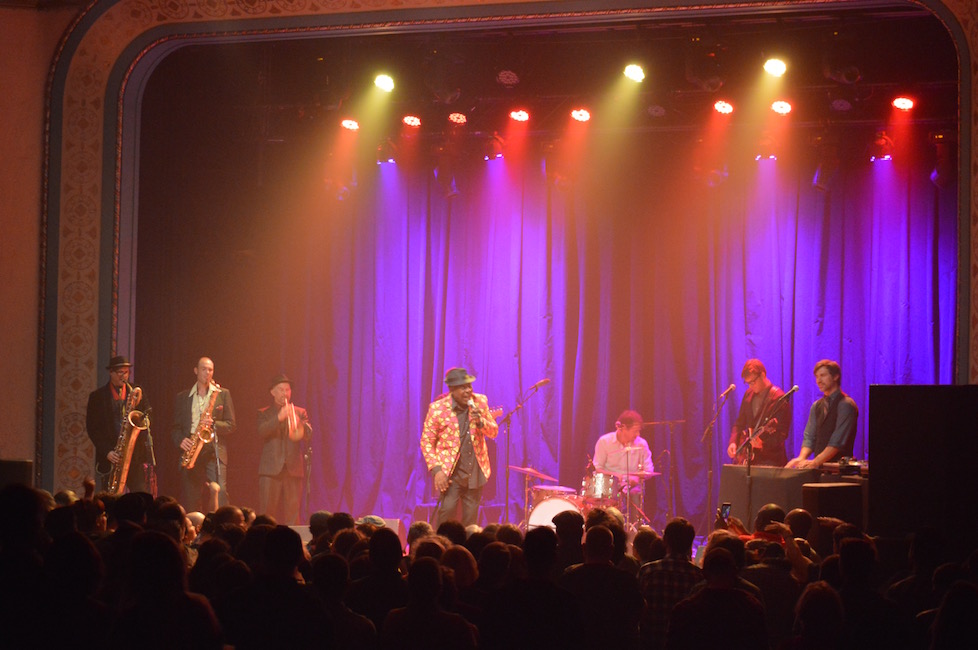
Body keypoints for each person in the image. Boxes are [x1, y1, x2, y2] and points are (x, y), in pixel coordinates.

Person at [420, 367, 498, 527]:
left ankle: (468, 550)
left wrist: (481, 422)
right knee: (446, 516)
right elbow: (426, 441)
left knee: (470, 521)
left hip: (475, 470)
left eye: (469, 386)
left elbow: (493, 431)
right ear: (452, 390)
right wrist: (437, 471)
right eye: (463, 387)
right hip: (450, 473)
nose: (468, 391)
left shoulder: (480, 402)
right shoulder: (437, 409)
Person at [171, 357, 236, 512]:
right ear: (196, 370)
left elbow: (231, 424)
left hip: (213, 450)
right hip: (192, 449)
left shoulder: (222, 394)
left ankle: (221, 528)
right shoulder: (183, 397)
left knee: (219, 493)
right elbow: (175, 428)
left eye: (210, 370)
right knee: (191, 497)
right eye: (204, 369)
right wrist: (181, 440)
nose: (207, 373)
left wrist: (213, 424)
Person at [85, 355, 153, 493]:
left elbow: (148, 414)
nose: (124, 376)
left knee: (140, 495)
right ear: (111, 372)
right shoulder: (97, 397)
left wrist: (140, 409)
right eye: (120, 372)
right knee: (110, 497)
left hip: (134, 456)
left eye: (126, 372)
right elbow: (93, 428)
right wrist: (107, 452)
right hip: (111, 456)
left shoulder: (136, 391)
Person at [257, 374, 311, 525]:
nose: (284, 393)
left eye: (287, 390)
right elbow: (261, 432)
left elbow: (308, 435)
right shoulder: (264, 413)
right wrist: (279, 418)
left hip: (293, 469)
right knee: (267, 513)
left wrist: (297, 420)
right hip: (270, 470)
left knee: (293, 513)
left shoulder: (300, 412)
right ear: (272, 392)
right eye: (281, 390)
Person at [786, 359, 857, 469]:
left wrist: (815, 462)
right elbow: (809, 437)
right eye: (817, 377)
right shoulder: (816, 406)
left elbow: (837, 442)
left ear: (835, 377)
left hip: (839, 472)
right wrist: (802, 457)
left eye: (823, 375)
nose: (818, 380)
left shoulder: (846, 404)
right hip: (820, 469)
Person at [726, 358, 792, 466]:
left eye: (753, 382)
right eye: (747, 383)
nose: (750, 386)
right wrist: (733, 442)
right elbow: (739, 423)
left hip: (771, 460)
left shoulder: (779, 398)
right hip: (750, 459)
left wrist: (763, 444)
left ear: (762, 375)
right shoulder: (748, 394)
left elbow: (782, 433)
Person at [591, 410, 654, 520]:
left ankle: (635, 528)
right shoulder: (604, 441)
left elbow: (649, 470)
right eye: (635, 431)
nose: (638, 434)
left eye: (639, 431)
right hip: (610, 487)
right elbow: (598, 468)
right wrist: (617, 477)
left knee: (636, 496)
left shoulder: (641, 444)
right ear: (623, 428)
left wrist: (637, 478)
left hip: (632, 487)